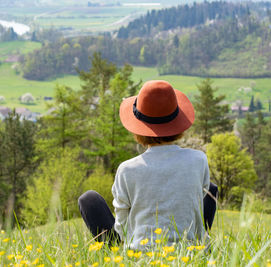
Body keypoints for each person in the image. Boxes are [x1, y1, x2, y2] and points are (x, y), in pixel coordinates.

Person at [78, 80, 218, 249]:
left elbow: (122, 227)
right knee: (210, 189)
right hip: (189, 250)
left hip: (140, 252)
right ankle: (199, 243)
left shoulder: (127, 169)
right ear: (178, 123)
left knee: (89, 200)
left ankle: (115, 255)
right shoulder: (198, 160)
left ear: (138, 129)